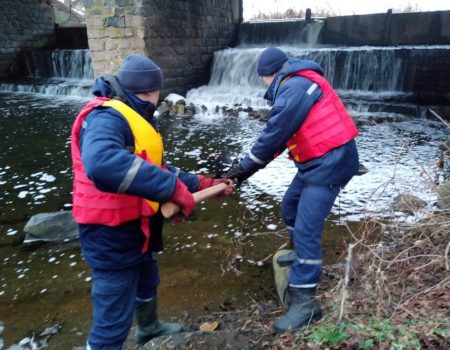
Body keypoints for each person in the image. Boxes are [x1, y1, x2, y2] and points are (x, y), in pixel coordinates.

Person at [70, 53, 232, 349]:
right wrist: (171, 189)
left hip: (135, 224)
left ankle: (148, 327)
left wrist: (203, 183)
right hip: (108, 231)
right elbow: (101, 163)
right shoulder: (107, 117)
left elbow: (155, 168)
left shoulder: (134, 114)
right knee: (114, 310)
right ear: (152, 91)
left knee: (147, 277)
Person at [225, 47, 359, 332]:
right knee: (290, 207)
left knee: (308, 228)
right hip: (318, 162)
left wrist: (244, 168)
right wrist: (244, 171)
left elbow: (273, 135)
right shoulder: (296, 82)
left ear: (266, 75)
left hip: (330, 164)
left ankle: (305, 303)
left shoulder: (294, 88)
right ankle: (301, 258)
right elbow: (281, 138)